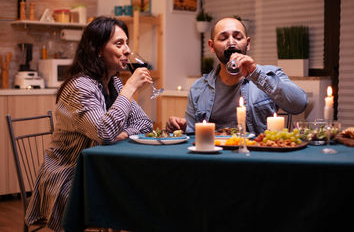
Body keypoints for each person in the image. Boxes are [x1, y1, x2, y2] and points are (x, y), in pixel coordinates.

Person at [25, 16, 153, 231]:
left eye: (127, 43)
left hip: (100, 171)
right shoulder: (80, 87)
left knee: (145, 192)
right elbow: (104, 132)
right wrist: (130, 88)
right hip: (69, 178)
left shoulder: (113, 82)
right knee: (135, 198)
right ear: (98, 50)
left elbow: (144, 123)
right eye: (119, 43)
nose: (128, 50)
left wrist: (120, 133)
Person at [166, 17, 307, 135]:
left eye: (238, 37)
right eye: (223, 38)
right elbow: (191, 133)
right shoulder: (198, 88)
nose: (231, 42)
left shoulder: (270, 74)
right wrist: (181, 127)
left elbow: (299, 104)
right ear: (211, 46)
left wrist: (255, 73)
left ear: (248, 43)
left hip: (257, 158)